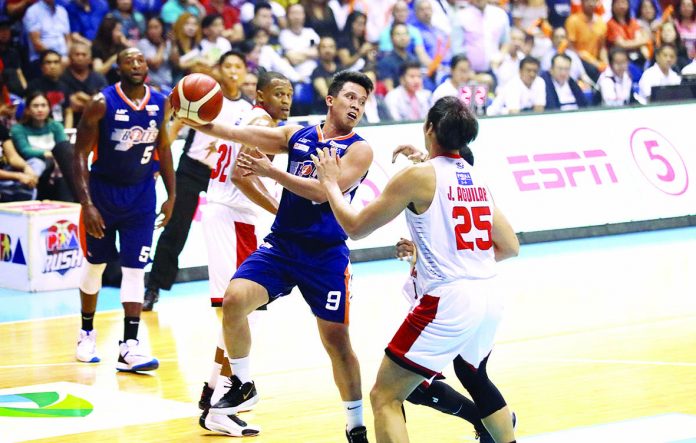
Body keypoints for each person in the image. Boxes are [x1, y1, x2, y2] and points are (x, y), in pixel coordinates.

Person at [311, 95, 519, 443]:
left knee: (385, 396)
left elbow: (356, 228)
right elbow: (510, 247)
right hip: (489, 294)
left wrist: (331, 183)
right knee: (474, 376)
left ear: (429, 129)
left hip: (449, 299)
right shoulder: (476, 178)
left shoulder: (416, 177)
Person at [180, 70, 374, 443]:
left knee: (337, 342)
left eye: (363, 102)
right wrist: (201, 122)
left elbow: (321, 191)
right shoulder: (297, 135)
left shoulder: (359, 149)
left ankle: (355, 423)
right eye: (351, 97)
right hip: (283, 244)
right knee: (234, 299)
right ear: (330, 100)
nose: (357, 105)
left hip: (325, 255)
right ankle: (244, 382)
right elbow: (242, 134)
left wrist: (271, 171)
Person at [198, 70, 291, 437]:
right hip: (234, 218)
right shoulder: (263, 124)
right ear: (261, 94)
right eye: (278, 93)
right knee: (236, 313)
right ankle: (221, 402)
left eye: (289, 94)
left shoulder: (240, 118)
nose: (285, 100)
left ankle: (213, 396)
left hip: (225, 215)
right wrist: (279, 211)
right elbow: (241, 175)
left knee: (233, 313)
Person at [72, 47, 176, 371]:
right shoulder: (101, 104)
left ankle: (129, 346)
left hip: (141, 197)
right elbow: (78, 156)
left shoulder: (160, 102)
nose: (136, 64)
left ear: (147, 66)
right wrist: (87, 204)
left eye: (141, 59)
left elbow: (164, 149)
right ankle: (86, 332)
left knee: (135, 270)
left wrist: (172, 195)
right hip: (103, 196)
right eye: (128, 60)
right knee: (95, 265)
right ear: (117, 68)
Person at [144, 50, 252, 310]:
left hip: (224, 176)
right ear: (219, 69)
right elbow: (173, 128)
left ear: (245, 72)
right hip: (192, 169)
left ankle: (238, 289)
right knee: (176, 228)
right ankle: (153, 288)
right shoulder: (203, 95)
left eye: (238, 66)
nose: (233, 71)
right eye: (228, 66)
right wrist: (159, 158)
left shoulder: (247, 108)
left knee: (231, 231)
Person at [10, 91, 73, 201]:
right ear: (28, 109)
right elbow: (25, 151)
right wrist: (47, 153)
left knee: (64, 167)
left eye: (43, 105)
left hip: (55, 167)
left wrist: (52, 156)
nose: (40, 109)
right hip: (31, 166)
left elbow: (63, 148)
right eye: (35, 106)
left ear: (49, 108)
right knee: (38, 162)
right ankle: (28, 195)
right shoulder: (18, 129)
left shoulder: (56, 126)